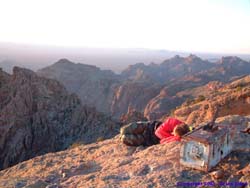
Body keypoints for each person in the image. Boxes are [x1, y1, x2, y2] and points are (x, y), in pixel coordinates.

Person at [120, 117, 190, 146]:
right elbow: (158, 132)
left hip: (147, 139)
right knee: (123, 130)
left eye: (174, 134)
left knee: (124, 138)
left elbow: (162, 142)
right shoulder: (173, 122)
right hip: (149, 126)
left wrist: (174, 137)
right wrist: (171, 136)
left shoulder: (178, 137)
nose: (172, 133)